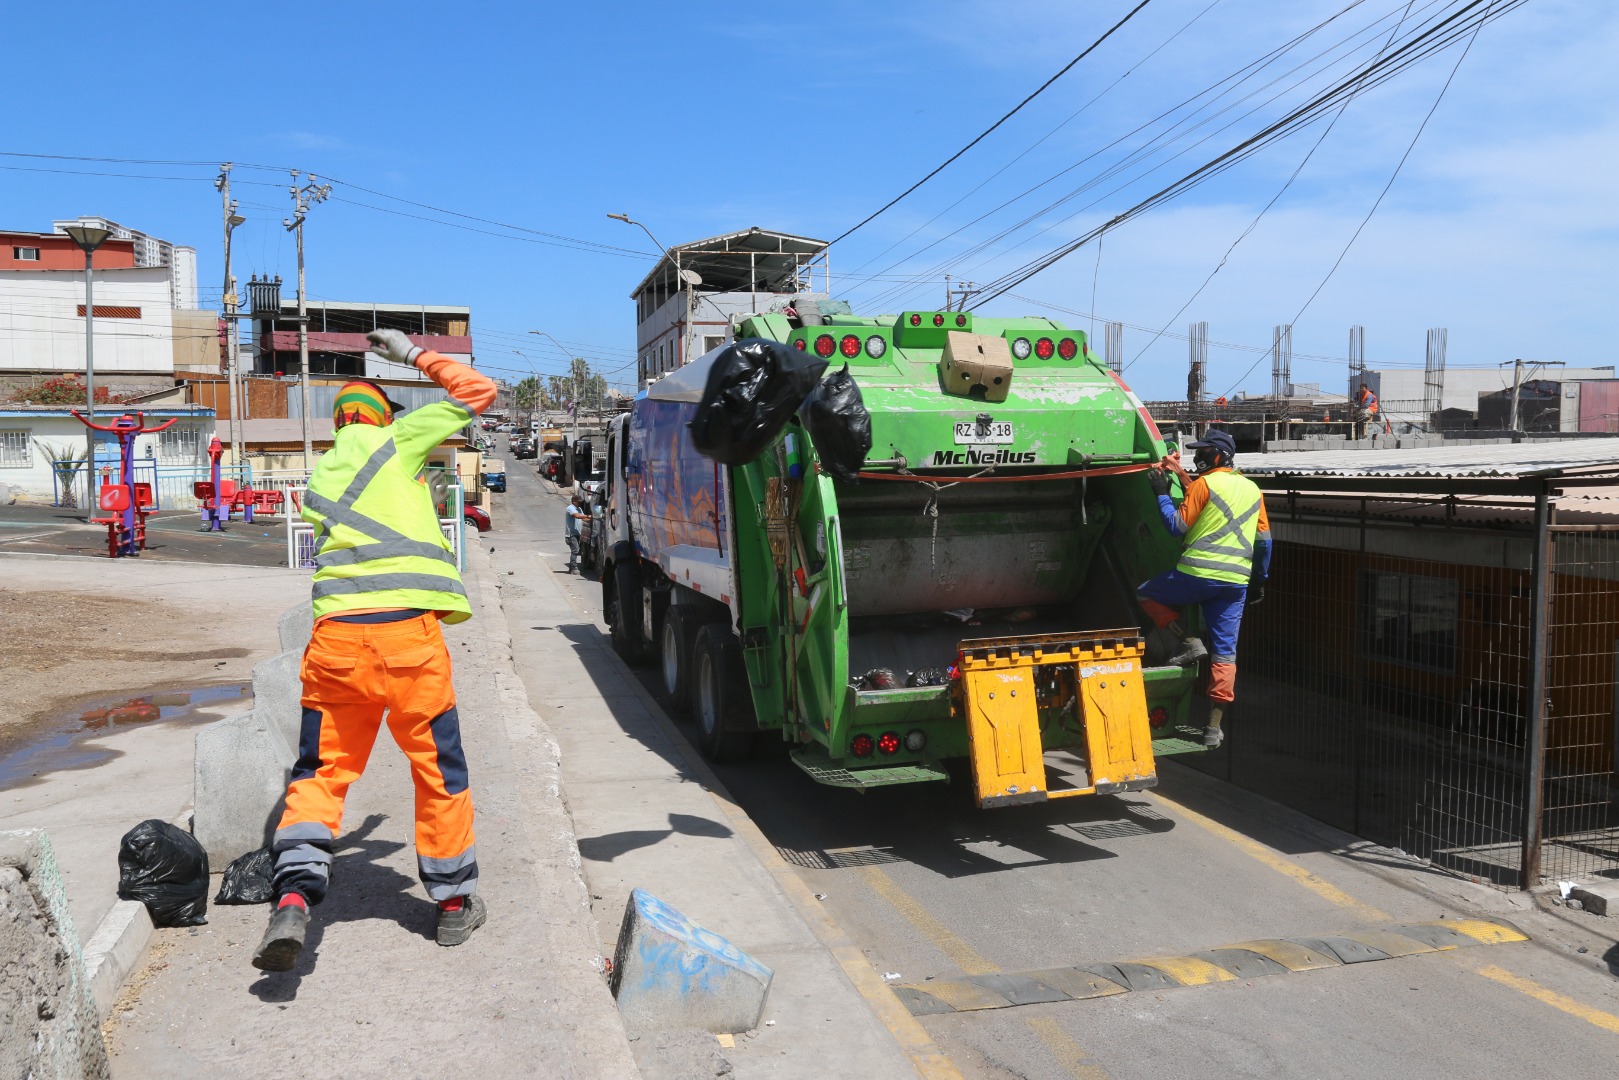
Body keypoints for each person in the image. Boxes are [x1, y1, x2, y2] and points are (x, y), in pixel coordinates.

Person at [252, 328, 497, 973]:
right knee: (438, 771)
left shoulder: (320, 477)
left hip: (335, 644)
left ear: (338, 422)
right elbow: (478, 391)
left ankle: (294, 897)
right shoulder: (398, 442)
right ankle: (452, 904)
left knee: (320, 774)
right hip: (408, 640)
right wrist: (411, 354)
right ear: (383, 417)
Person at [1139, 429, 1271, 749]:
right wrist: (1259, 579)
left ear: (1219, 455)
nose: (1198, 456)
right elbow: (1265, 542)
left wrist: (1160, 492)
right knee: (1225, 653)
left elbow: (1176, 526)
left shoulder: (1205, 484)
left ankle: (1187, 641)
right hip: (1235, 584)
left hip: (1195, 576)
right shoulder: (1252, 489)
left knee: (1146, 593)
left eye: (1204, 451)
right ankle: (1213, 727)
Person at [564, 492, 591, 573]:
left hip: (578, 533)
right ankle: (573, 568)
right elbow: (576, 516)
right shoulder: (570, 508)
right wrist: (587, 516)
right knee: (575, 550)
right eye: (578, 502)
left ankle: (572, 567)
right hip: (571, 534)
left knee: (576, 550)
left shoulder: (579, 509)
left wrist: (592, 519)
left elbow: (583, 518)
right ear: (574, 501)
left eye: (580, 502)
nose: (580, 503)